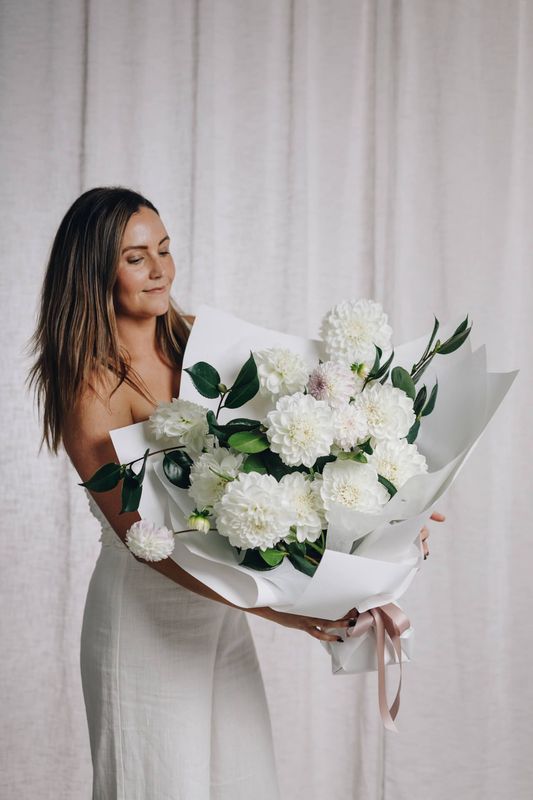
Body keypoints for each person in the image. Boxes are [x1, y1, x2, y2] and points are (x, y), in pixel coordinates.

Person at [27, 186, 443, 799]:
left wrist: (389, 504)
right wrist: (289, 615)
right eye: (136, 257)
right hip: (143, 619)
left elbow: (296, 449)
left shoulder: (198, 342)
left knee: (247, 786)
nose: (161, 268)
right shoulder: (87, 390)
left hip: (221, 617)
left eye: (165, 249)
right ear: (94, 270)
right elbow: (154, 547)